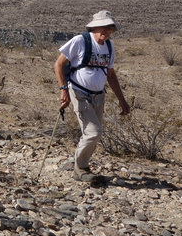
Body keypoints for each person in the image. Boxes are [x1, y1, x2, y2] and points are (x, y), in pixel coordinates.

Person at [54, 10, 131, 182]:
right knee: (93, 132)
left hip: (99, 95)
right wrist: (63, 89)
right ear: (94, 27)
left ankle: (83, 167)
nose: (106, 31)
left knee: (92, 133)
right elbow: (59, 63)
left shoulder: (110, 47)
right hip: (79, 91)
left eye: (110, 28)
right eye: (103, 27)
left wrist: (122, 100)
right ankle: (80, 168)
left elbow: (110, 75)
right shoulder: (80, 41)